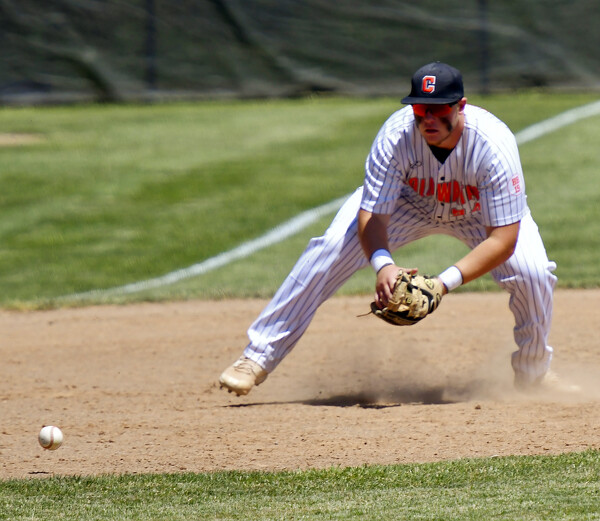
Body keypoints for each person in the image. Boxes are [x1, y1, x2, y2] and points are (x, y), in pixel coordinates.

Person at [219, 61, 561, 396]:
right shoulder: (396, 136)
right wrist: (382, 263)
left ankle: (533, 375)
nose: (427, 118)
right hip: (407, 205)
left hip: (475, 212)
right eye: (419, 109)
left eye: (438, 109)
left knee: (533, 273)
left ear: (461, 106)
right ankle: (257, 357)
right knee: (330, 248)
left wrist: (442, 284)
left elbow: (503, 239)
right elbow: (373, 216)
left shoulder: (493, 146)